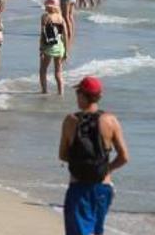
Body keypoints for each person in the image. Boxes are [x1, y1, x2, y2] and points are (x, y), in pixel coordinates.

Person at [59, 77, 129, 235]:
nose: (76, 96)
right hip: (103, 187)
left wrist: (80, 160)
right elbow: (124, 157)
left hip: (78, 187)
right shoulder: (111, 121)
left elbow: (62, 155)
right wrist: (106, 169)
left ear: (83, 96)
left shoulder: (70, 121)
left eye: (78, 92)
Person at [39, 0, 67, 95]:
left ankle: (44, 91)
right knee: (58, 72)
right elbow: (65, 35)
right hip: (60, 47)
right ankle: (61, 92)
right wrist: (66, 51)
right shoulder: (61, 17)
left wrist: (41, 49)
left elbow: (43, 34)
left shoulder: (45, 17)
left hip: (49, 47)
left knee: (43, 70)